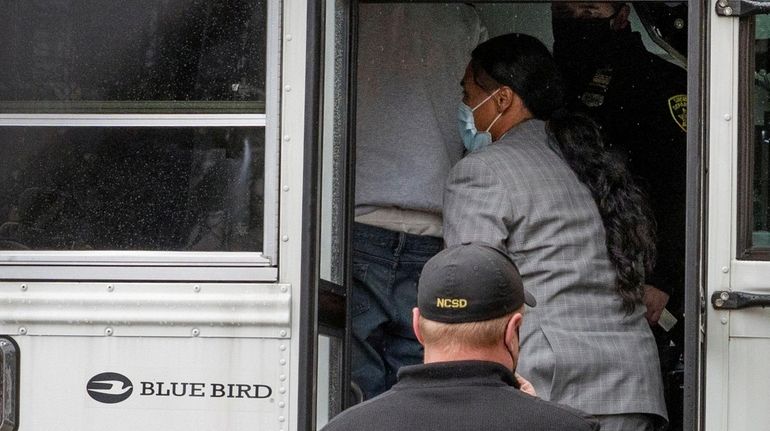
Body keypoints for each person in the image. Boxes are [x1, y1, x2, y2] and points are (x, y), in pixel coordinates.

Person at [443, 33, 667, 431]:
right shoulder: (592, 162)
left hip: (553, 388)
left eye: (467, 92)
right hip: (633, 385)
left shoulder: (482, 172)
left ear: (503, 99)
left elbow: (472, 287)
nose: (463, 106)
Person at [351, 4, 487, 400]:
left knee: (356, 387)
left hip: (359, 225)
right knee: (419, 384)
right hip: (435, 230)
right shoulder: (463, 18)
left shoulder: (348, 13)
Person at [321, 243, 600, 431]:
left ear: (417, 326)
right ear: (512, 330)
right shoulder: (569, 427)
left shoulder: (346, 427)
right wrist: (537, 412)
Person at [551, 2, 687, 330]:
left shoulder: (660, 82)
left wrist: (663, 279)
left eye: (588, 11)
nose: (576, 22)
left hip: (637, 278)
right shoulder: (549, 84)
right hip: (561, 270)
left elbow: (682, 187)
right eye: (565, 14)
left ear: (622, 16)